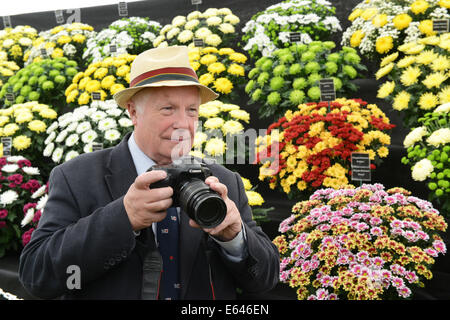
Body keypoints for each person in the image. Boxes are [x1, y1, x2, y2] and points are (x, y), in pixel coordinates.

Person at [18, 46, 280, 300]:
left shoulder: (224, 181)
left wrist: (235, 237)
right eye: (167, 109)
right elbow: (37, 276)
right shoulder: (76, 177)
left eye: (192, 110)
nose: (183, 124)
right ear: (133, 111)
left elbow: (264, 280)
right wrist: (123, 218)